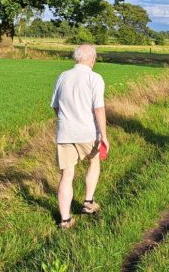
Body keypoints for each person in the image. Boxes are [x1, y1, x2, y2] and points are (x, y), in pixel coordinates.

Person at [50, 44, 110, 230]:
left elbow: (55, 106)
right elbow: (98, 108)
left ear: (77, 58)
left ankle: (65, 220)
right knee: (93, 162)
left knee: (67, 175)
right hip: (88, 132)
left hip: (65, 132)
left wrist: (66, 120)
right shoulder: (95, 78)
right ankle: (88, 202)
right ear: (92, 59)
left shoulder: (63, 76)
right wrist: (104, 135)